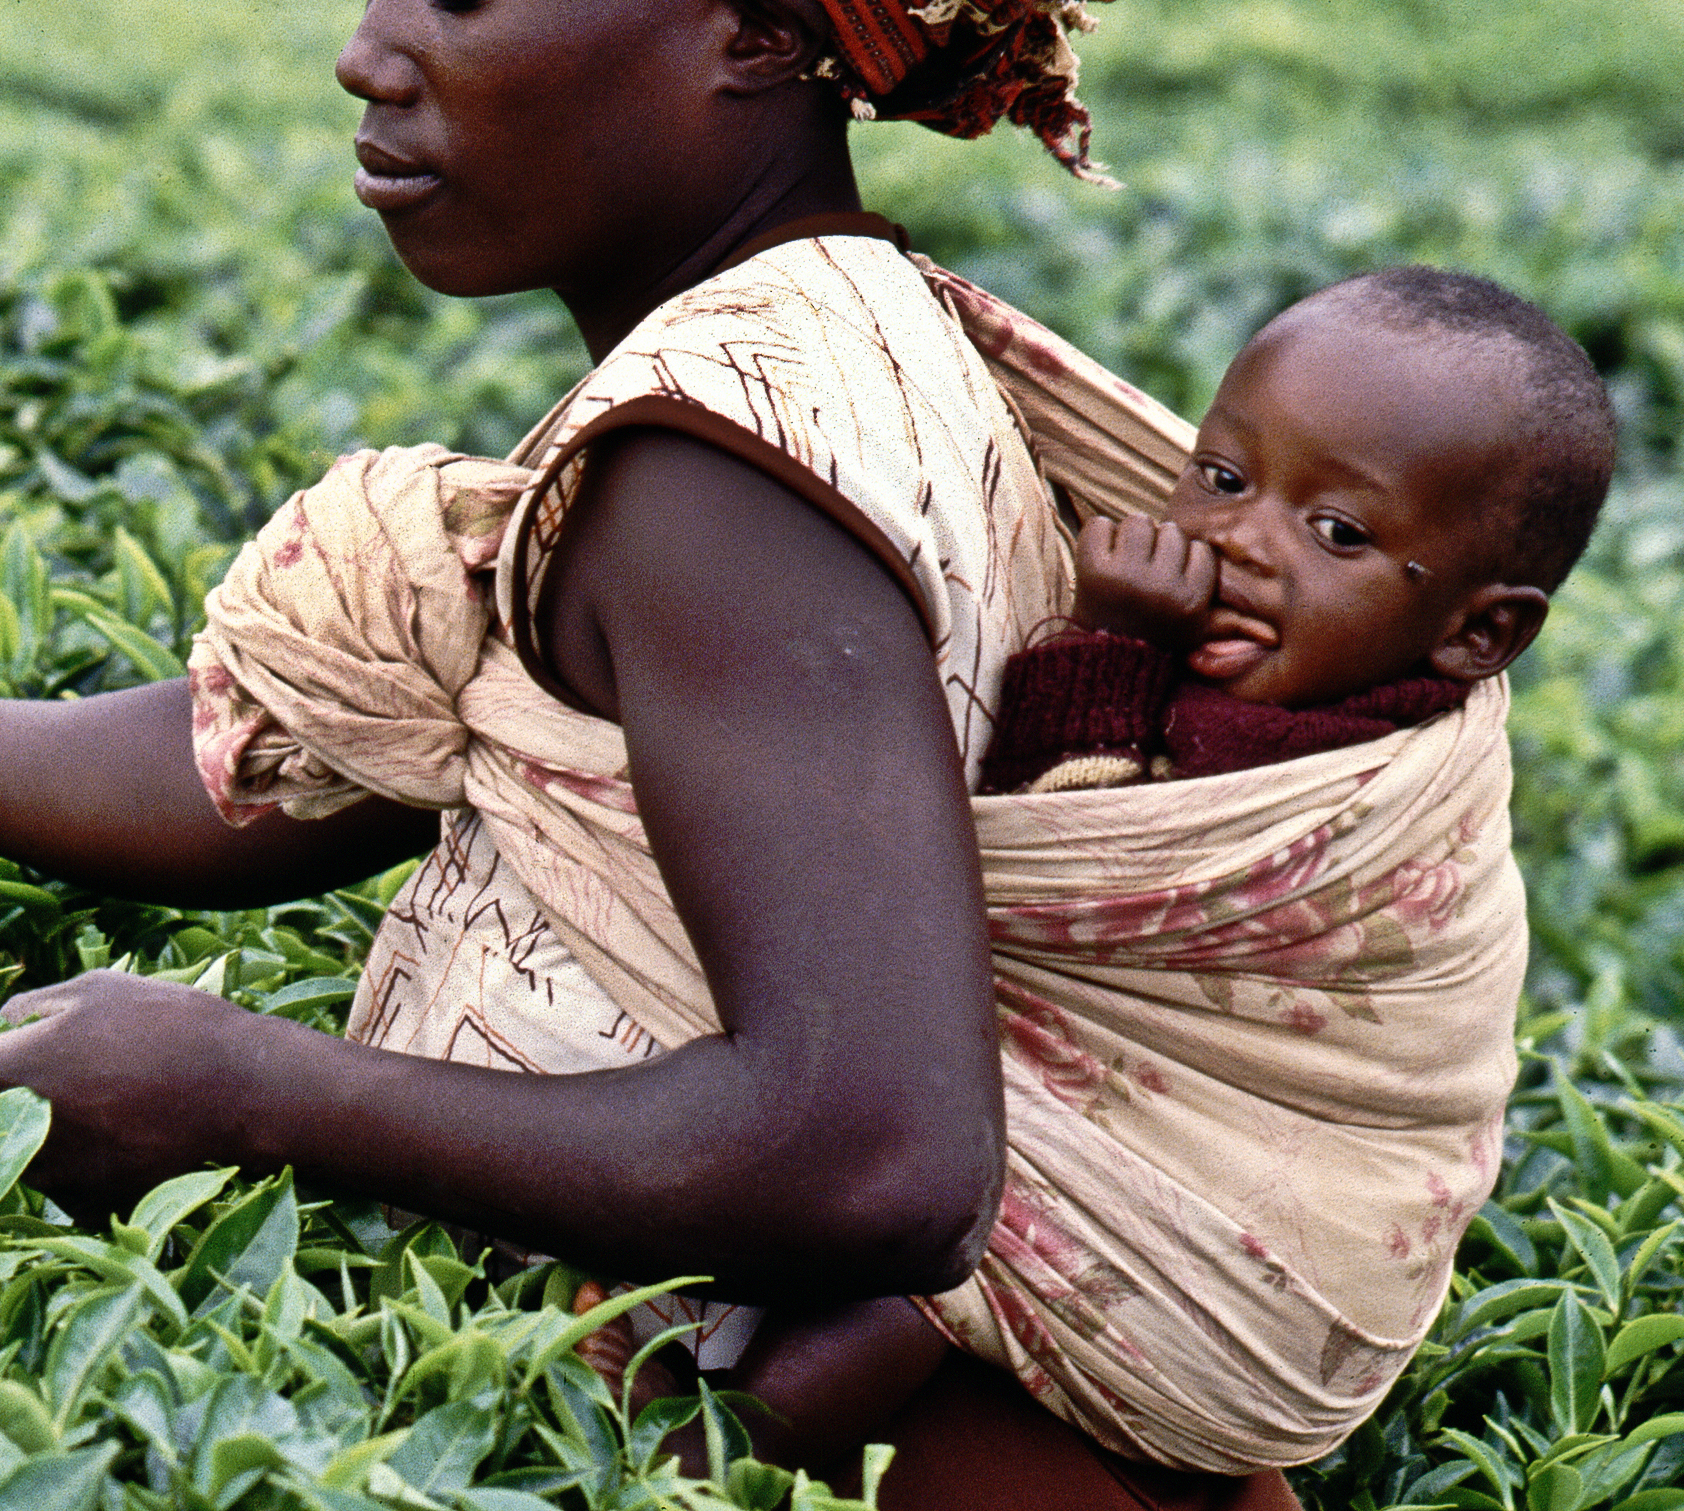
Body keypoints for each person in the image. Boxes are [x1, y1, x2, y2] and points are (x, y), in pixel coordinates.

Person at [0, 0, 1502, 1506]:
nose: (372, 50)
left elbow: (881, 1153)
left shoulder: (724, 464)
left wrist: (246, 1088)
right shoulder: (855, 350)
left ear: (753, 25)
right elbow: (256, 783)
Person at [571, 263, 1615, 1479]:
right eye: (1223, 480)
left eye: (1335, 533)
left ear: (1479, 634)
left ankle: (672, 1475)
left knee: (898, 1289)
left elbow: (1071, 845)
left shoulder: (1333, 764)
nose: (1236, 542)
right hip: (1160, 1195)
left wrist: (1110, 643)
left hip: (1244, 1233)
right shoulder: (1318, 671)